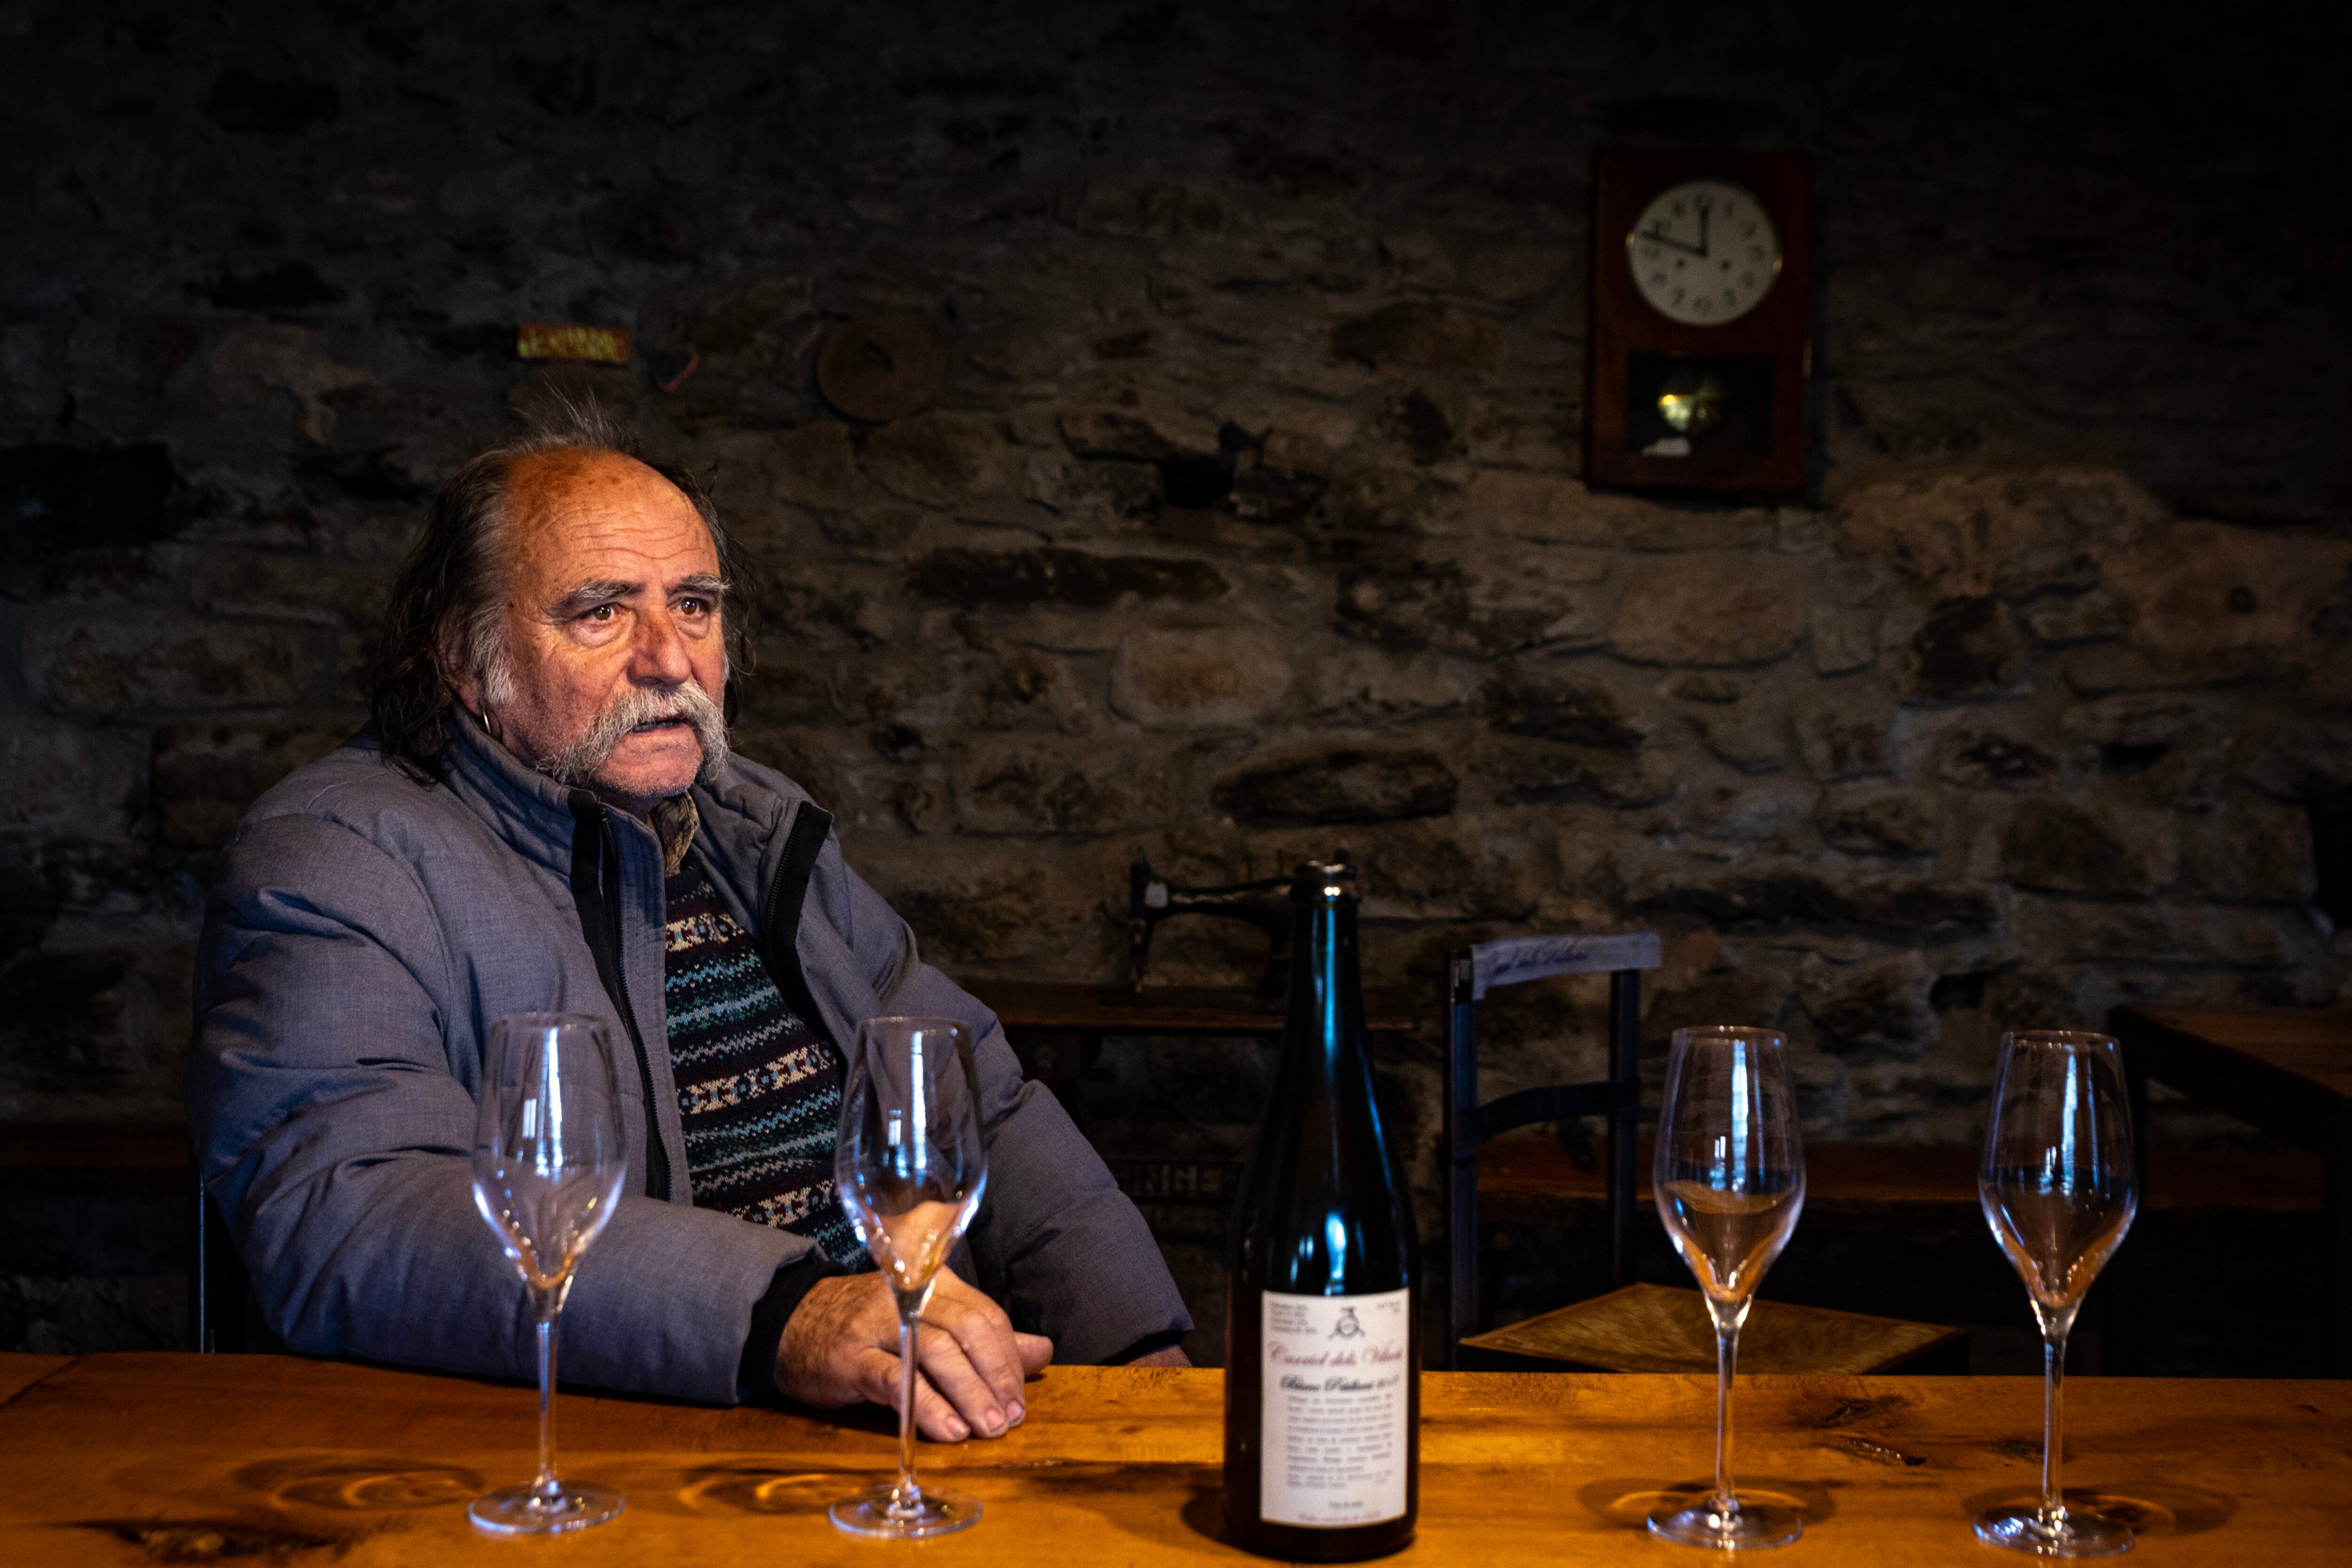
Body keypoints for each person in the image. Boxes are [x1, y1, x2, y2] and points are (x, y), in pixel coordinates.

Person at [188, 407, 1191, 1440]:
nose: (670, 658)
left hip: (917, 1412)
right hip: (609, 1436)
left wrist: (1138, 1356)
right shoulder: (338, 853)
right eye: (601, 613)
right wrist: (780, 1314)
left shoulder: (753, 822)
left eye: (696, 605)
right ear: (465, 656)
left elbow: (980, 1094)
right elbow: (350, 1210)